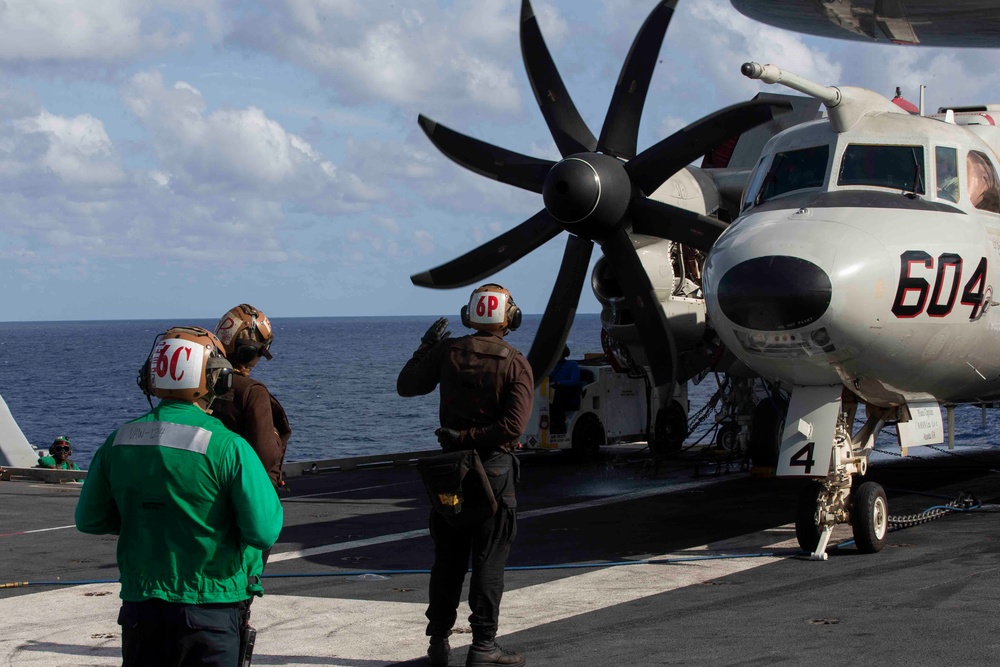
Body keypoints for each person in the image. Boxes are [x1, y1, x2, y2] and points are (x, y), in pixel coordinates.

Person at [75, 326, 283, 667]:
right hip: (211, 610)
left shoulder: (118, 441)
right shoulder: (228, 447)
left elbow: (90, 519)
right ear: (217, 378)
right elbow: (263, 530)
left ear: (151, 377)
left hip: (141, 610)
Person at [397, 283, 534, 667]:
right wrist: (473, 436)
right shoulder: (514, 361)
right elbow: (513, 427)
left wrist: (425, 346)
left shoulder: (447, 350)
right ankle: (484, 646)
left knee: (448, 560)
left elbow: (406, 386)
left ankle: (437, 643)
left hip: (451, 473)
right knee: (489, 560)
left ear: (468, 315)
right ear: (511, 318)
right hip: (493, 472)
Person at [211, 303, 291, 491]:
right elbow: (267, 457)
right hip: (248, 491)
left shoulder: (202, 384)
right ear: (250, 352)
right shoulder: (253, 392)